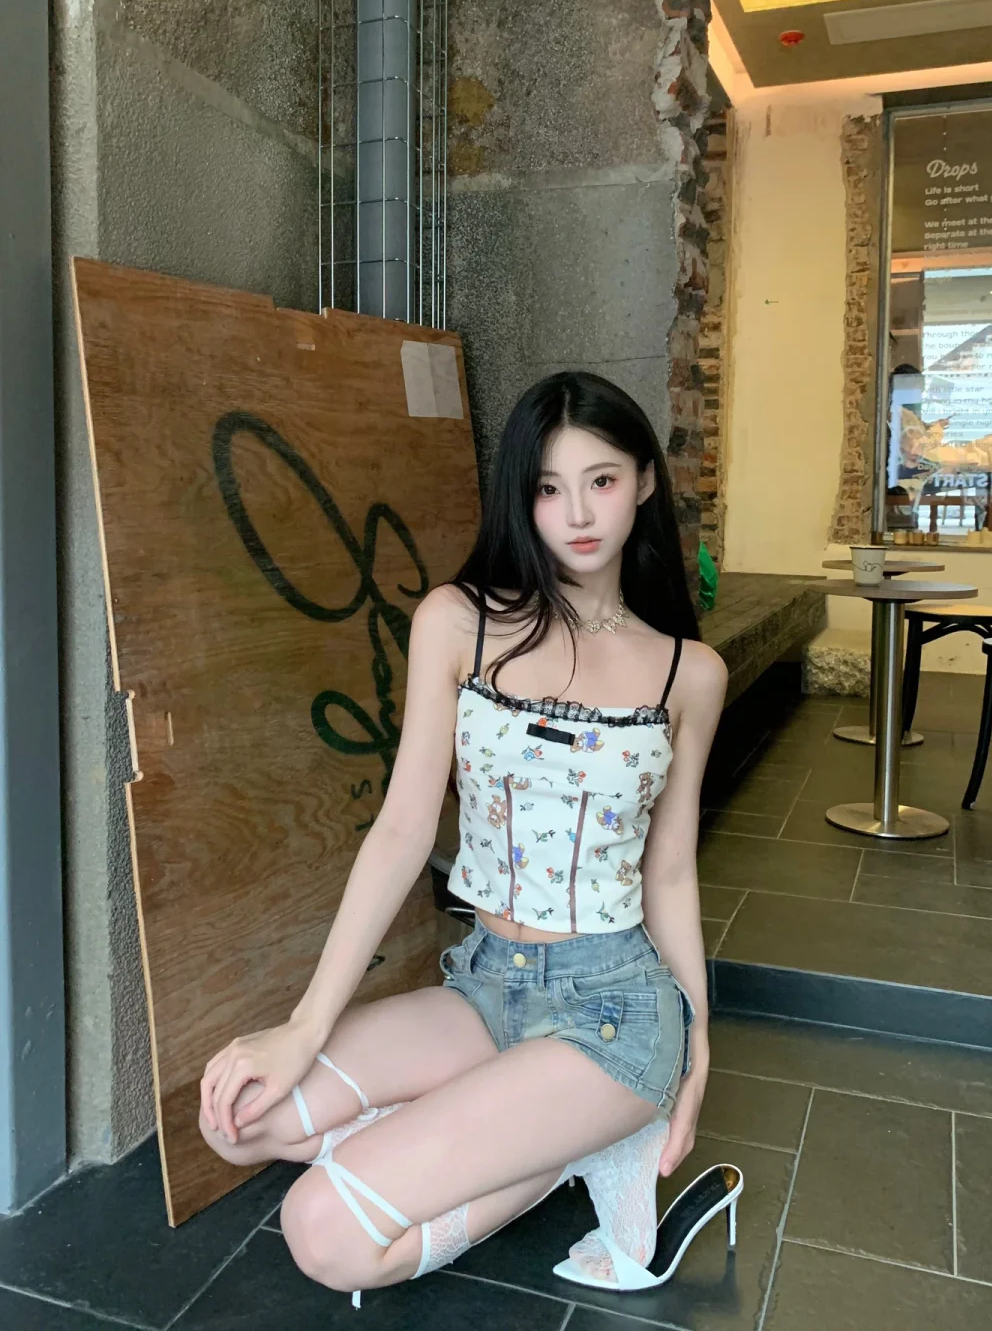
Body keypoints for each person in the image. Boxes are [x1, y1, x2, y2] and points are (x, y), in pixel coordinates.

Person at [198, 370, 742, 1306]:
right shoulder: (459, 624)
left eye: (602, 481)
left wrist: (697, 1050)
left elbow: (671, 877)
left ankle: (586, 1126)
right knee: (237, 1119)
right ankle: (563, 1135)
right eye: (549, 487)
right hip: (488, 984)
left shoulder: (688, 674)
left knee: (324, 1231)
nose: (578, 514)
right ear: (520, 497)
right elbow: (404, 829)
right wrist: (304, 1025)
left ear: (645, 482)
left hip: (614, 1010)